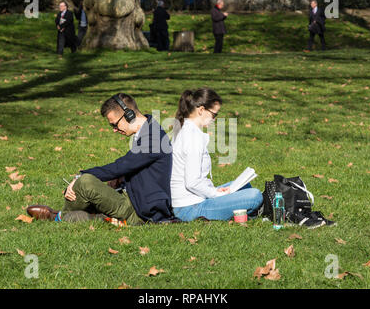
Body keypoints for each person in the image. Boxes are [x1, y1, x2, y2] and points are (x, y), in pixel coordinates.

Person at [26, 93, 178, 225]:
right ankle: (82, 216)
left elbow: (120, 166)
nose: (114, 130)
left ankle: (59, 216)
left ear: (129, 115)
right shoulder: (148, 129)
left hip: (140, 211)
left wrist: (80, 176)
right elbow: (134, 169)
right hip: (133, 198)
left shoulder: (153, 139)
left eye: (115, 124)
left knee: (86, 182)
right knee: (93, 201)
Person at [170, 88, 263, 222]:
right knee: (255, 195)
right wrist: (215, 194)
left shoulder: (186, 129)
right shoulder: (192, 137)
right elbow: (192, 182)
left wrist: (216, 192)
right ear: (201, 110)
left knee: (245, 186)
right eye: (214, 115)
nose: (215, 119)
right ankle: (249, 212)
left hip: (193, 199)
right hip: (189, 207)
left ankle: (244, 210)